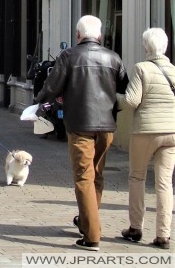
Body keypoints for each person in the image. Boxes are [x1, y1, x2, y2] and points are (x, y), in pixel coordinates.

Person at [35, 15, 128, 251]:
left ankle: (92, 234)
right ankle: (88, 221)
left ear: (78, 35)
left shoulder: (69, 56)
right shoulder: (113, 57)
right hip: (106, 126)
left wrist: (38, 102)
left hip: (80, 125)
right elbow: (124, 87)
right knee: (96, 175)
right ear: (99, 35)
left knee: (84, 178)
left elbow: (51, 87)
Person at [120, 27, 175, 250]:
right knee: (164, 183)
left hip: (145, 131)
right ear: (165, 47)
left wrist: (114, 99)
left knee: (137, 177)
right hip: (171, 132)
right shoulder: (173, 69)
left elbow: (132, 101)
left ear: (145, 47)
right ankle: (163, 234)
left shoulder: (141, 68)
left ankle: (135, 228)